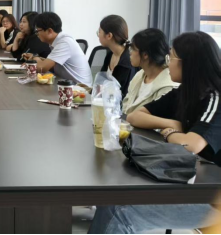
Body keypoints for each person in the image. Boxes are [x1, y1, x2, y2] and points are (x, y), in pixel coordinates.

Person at [90, 31, 221, 234]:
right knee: (111, 198)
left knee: (121, 213)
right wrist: (173, 124)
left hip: (212, 198)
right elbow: (135, 116)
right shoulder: (184, 92)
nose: (168, 64)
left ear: (188, 64)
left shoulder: (214, 98)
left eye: (172, 58)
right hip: (189, 178)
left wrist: (169, 133)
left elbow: (192, 144)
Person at [122, 28, 177, 115]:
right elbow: (126, 104)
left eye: (133, 49)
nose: (130, 52)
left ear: (145, 54)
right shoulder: (140, 75)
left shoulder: (167, 87)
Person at [30, 12, 93, 87]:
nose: (37, 34)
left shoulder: (64, 43)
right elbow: (51, 63)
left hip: (81, 89)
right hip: (67, 85)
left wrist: (36, 59)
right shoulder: (58, 41)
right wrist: (37, 58)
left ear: (50, 31)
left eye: (38, 31)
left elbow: (41, 68)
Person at [97, 15, 136, 96]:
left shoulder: (127, 62)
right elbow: (100, 83)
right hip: (105, 101)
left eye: (99, 32)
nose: (98, 34)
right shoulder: (109, 55)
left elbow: (123, 95)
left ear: (109, 36)